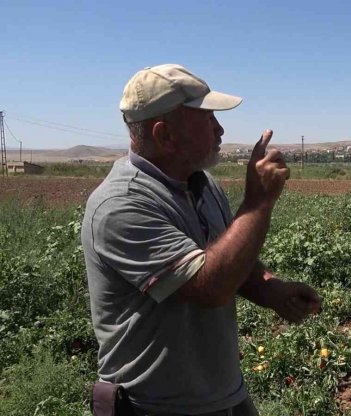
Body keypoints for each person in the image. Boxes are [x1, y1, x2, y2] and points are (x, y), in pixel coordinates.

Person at [82, 64, 322, 415]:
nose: (220, 129)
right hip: (158, 406)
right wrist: (258, 203)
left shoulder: (202, 184)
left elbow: (223, 257)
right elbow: (208, 287)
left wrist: (271, 289)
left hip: (224, 395)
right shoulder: (121, 205)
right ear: (165, 135)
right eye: (207, 119)